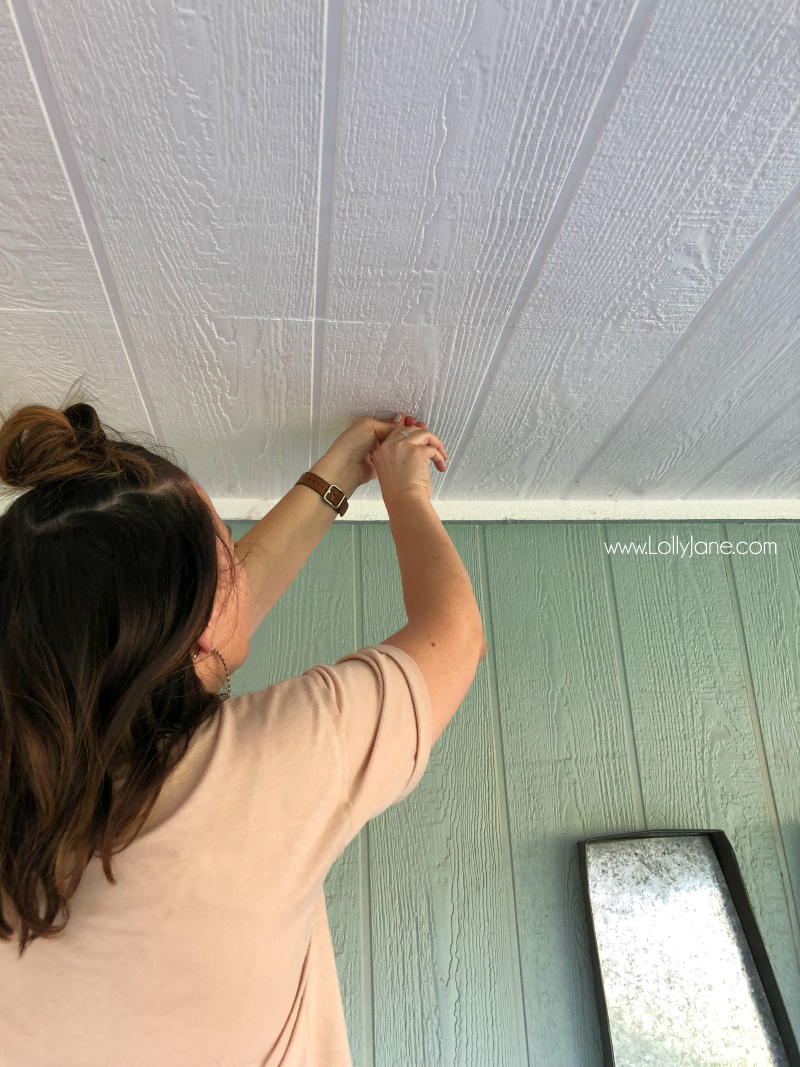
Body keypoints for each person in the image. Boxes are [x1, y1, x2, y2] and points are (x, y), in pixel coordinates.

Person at [0, 397, 486, 1066]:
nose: (240, 560)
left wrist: (341, 470)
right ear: (193, 623)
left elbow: (205, 623)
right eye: (227, 546)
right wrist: (407, 491)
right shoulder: (276, 761)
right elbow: (451, 633)